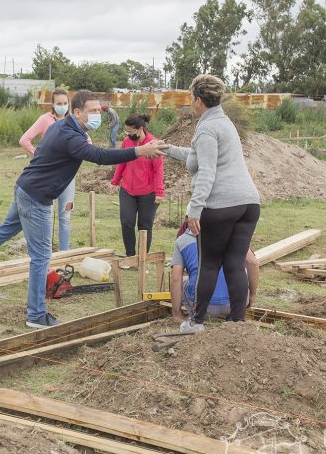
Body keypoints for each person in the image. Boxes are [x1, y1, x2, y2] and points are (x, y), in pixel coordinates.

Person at [0, 90, 168, 328]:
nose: (97, 115)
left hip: (25, 187)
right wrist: (140, 151)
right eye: (92, 111)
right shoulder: (70, 135)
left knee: (4, 230)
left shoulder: (63, 127)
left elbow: (92, 150)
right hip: (36, 197)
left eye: (98, 110)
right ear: (77, 112)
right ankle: (36, 315)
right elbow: (99, 156)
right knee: (41, 256)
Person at [164, 73, 260, 334]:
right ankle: (237, 323)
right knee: (234, 263)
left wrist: (194, 210)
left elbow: (207, 171)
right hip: (248, 204)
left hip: (221, 205)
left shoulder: (206, 128)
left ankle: (195, 322)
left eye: (190, 98)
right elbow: (198, 156)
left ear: (198, 100)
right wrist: (169, 149)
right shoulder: (224, 123)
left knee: (209, 263)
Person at [19, 88, 76, 250]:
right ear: (52, 104)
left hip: (67, 176)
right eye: (59, 103)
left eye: (65, 103)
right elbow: (24, 140)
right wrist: (38, 155)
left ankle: (64, 253)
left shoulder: (73, 121)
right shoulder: (45, 120)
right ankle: (45, 252)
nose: (62, 106)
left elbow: (87, 142)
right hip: (48, 175)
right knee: (46, 216)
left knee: (65, 216)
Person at [170, 219, 259, 322]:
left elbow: (175, 279)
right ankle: (233, 316)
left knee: (183, 280)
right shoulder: (233, 234)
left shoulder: (182, 241)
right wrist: (252, 295)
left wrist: (176, 315)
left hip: (204, 307)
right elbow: (253, 263)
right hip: (235, 304)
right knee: (242, 273)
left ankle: (196, 317)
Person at [109, 113, 164, 258]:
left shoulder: (153, 144)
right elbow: (122, 162)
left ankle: (142, 258)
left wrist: (159, 192)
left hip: (148, 192)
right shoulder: (127, 142)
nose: (128, 134)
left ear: (140, 129)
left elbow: (158, 170)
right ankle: (130, 256)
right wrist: (114, 182)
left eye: (130, 131)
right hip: (127, 190)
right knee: (127, 222)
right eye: (126, 131)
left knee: (144, 226)